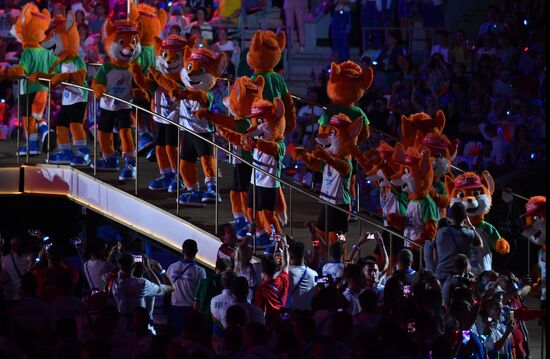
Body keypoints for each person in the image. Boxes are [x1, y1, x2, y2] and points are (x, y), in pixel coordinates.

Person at [426, 202, 483, 282]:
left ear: (451, 216)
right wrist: (471, 226)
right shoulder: (469, 233)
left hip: (442, 275)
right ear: (465, 217)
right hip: (460, 277)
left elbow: (435, 256)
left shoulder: (441, 233)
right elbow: (480, 244)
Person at [111, 252, 173, 317]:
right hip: (143, 324)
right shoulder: (143, 284)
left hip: (120, 323)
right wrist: (160, 270)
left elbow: (102, 284)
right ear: (144, 269)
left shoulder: (109, 279)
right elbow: (169, 287)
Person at [166, 239, 207, 336]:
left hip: (175, 309)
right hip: (191, 311)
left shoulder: (172, 267)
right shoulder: (200, 271)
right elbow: (201, 293)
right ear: (196, 251)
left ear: (182, 250)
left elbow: (167, 289)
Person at [253, 236, 290, 323]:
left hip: (270, 325)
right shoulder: (283, 279)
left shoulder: (261, 289)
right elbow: (286, 264)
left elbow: (261, 312)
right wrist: (284, 244)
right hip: (282, 322)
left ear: (262, 270)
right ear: (277, 268)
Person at [287, 241, 318, 310]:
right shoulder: (314, 274)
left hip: (292, 316)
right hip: (308, 315)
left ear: (291, 256)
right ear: (304, 255)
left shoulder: (288, 273)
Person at [0, 234, 30, 303]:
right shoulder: (26, 259)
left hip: (10, 296)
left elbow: (2, 279)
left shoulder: (6, 259)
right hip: (23, 296)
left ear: (12, 246)